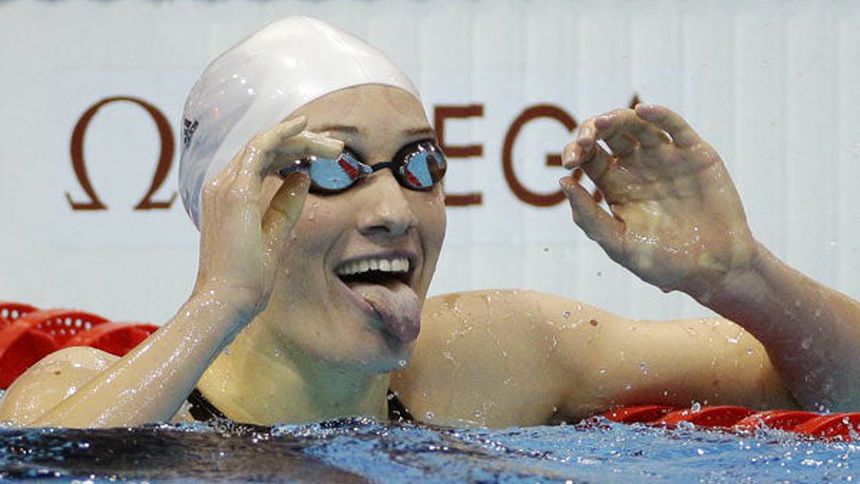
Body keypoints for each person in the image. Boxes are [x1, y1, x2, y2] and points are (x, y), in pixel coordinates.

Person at [1, 17, 857, 428]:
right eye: (330, 165)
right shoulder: (74, 390)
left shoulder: (498, 357)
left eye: (418, 164)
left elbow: (839, 393)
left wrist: (740, 276)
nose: (393, 211)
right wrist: (220, 299)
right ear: (227, 206)